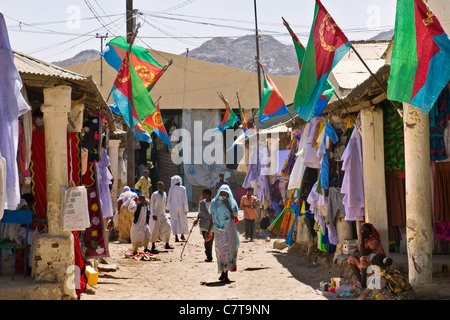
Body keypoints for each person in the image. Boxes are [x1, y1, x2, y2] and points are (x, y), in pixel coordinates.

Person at [208, 184, 239, 283]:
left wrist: (228, 206)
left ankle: (226, 274)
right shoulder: (213, 203)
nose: (223, 195)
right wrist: (209, 230)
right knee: (220, 252)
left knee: (229, 251)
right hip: (218, 232)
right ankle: (222, 272)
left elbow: (234, 216)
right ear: (219, 193)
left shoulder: (232, 203)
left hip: (229, 231)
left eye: (226, 193)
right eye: (222, 193)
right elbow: (212, 217)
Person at [348, 223, 386, 289]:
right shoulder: (364, 242)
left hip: (376, 263)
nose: (363, 233)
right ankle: (361, 282)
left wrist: (362, 238)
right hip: (367, 261)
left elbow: (363, 253)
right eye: (362, 231)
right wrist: (358, 253)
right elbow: (355, 252)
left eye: (365, 231)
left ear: (370, 232)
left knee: (363, 258)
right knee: (351, 259)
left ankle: (363, 285)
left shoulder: (374, 241)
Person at [149, 181, 173, 252]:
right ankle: (153, 245)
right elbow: (152, 205)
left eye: (162, 185)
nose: (161, 187)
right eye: (159, 186)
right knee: (154, 230)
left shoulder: (165, 194)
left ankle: (167, 243)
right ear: (157, 187)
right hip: (156, 215)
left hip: (163, 214)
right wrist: (153, 214)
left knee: (168, 226)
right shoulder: (154, 194)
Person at [166, 175, 189, 242]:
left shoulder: (171, 188)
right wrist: (186, 209)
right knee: (182, 220)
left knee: (174, 221)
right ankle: (182, 234)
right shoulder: (183, 188)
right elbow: (185, 199)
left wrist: (167, 207)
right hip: (181, 207)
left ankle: (176, 236)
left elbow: (169, 198)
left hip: (173, 207)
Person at [194, 188, 214, 262]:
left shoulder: (214, 203)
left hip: (212, 225)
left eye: (203, 193)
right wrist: (197, 219)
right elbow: (200, 213)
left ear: (208, 194)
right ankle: (209, 255)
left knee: (210, 241)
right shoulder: (201, 203)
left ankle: (209, 255)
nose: (202, 195)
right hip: (203, 224)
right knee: (206, 240)